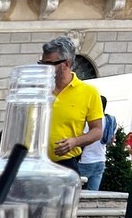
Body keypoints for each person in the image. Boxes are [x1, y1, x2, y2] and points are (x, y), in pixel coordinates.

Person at [41, 36, 103, 172]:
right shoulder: (37, 89)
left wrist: (75, 142)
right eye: (42, 63)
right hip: (33, 162)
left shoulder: (89, 92)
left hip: (65, 165)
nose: (45, 69)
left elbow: (97, 131)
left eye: (50, 64)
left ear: (67, 64)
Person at [75, 95, 115, 191]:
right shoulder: (109, 121)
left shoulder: (92, 121)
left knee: (73, 191)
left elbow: (82, 139)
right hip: (101, 160)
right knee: (93, 194)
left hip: (86, 160)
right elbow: (112, 140)